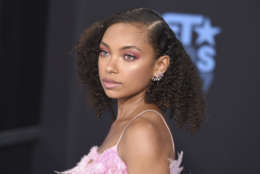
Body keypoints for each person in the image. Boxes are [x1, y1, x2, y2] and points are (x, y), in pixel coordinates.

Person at [56, 7, 206, 174]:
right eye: (105, 52)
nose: (110, 67)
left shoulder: (142, 131)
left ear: (159, 66)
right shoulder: (126, 123)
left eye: (128, 56)